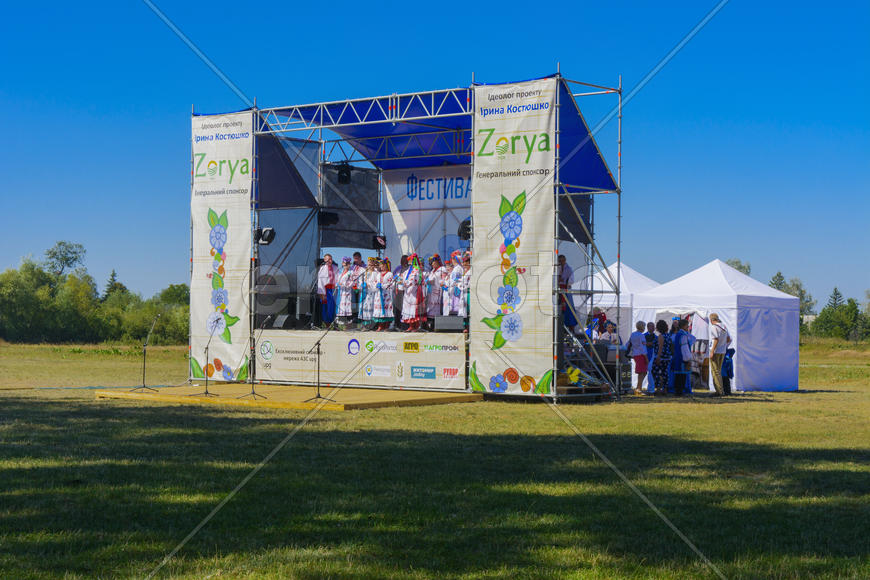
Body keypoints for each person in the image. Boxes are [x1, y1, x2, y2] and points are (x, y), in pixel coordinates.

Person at [708, 312, 731, 396]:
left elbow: (716, 339)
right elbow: (729, 339)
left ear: (711, 320)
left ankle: (719, 391)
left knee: (715, 371)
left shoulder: (714, 327)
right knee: (719, 371)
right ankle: (720, 390)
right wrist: (724, 346)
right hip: (722, 351)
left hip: (716, 351)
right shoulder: (724, 326)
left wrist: (712, 351)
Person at [402, 254, 425, 332]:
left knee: (414, 309)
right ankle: (411, 326)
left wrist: (408, 285)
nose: (409, 261)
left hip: (414, 292)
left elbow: (417, 281)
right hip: (407, 292)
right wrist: (403, 283)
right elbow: (403, 279)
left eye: (411, 260)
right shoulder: (407, 270)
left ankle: (416, 326)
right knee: (408, 309)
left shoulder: (417, 270)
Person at [625, 321, 649, 394]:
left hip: (635, 354)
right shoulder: (641, 335)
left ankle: (638, 387)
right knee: (642, 372)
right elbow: (643, 347)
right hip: (641, 355)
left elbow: (628, 344)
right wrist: (646, 357)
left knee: (642, 372)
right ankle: (639, 389)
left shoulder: (633, 334)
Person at [671, 319, 693, 396]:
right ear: (683, 326)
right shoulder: (683, 335)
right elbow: (685, 348)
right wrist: (688, 358)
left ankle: (678, 391)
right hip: (682, 358)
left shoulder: (678, 334)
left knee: (678, 375)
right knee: (681, 375)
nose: (688, 327)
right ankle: (679, 391)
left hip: (678, 357)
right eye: (687, 325)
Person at [425, 254, 447, 330]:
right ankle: (429, 325)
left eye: (433, 262)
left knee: (436, 309)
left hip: (438, 291)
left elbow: (443, 280)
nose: (432, 264)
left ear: (437, 261)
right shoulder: (432, 271)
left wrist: (432, 280)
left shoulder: (442, 269)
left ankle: (436, 325)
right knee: (430, 309)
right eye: (431, 262)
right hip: (431, 292)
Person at [316, 254, 338, 326]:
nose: (330, 261)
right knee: (325, 307)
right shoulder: (322, 268)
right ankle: (327, 323)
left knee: (333, 307)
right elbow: (320, 282)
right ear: (325, 260)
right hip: (325, 290)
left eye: (331, 259)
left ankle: (334, 323)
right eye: (328, 259)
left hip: (334, 290)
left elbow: (338, 278)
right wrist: (322, 293)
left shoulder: (335, 267)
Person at [651, 319, 672, 396]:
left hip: (661, 357)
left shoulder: (661, 336)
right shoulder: (668, 335)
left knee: (655, 372)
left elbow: (660, 347)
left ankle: (658, 389)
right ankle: (665, 389)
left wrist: (658, 357)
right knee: (665, 373)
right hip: (667, 357)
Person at [558, 255, 578, 331]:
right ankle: (561, 327)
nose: (561, 262)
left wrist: (564, 281)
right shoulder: (558, 268)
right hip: (559, 289)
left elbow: (571, 280)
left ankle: (570, 328)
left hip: (565, 289)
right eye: (559, 261)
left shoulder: (569, 269)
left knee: (568, 308)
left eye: (562, 261)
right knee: (560, 308)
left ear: (565, 260)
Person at [358, 257, 380, 330]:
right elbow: (360, 281)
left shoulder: (376, 273)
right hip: (365, 292)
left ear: (374, 264)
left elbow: (377, 282)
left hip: (372, 292)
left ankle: (372, 325)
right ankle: (364, 324)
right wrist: (363, 284)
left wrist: (370, 285)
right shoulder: (364, 272)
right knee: (364, 307)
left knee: (371, 308)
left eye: (371, 263)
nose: (370, 265)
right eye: (369, 263)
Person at [373, 258, 394, 331]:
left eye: (382, 265)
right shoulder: (378, 274)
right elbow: (375, 282)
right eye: (380, 265)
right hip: (379, 294)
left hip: (386, 294)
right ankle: (380, 325)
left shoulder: (389, 274)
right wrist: (376, 285)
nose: (381, 266)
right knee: (379, 309)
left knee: (386, 309)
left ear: (386, 265)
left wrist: (382, 286)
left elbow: (390, 284)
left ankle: (386, 325)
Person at [335, 257, 355, 328]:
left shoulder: (351, 272)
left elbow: (352, 282)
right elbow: (337, 281)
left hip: (347, 292)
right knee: (341, 307)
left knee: (347, 306)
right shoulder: (340, 272)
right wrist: (337, 284)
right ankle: (341, 325)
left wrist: (344, 285)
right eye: (344, 263)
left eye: (347, 263)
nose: (345, 265)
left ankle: (348, 325)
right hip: (340, 292)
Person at [444, 250, 464, 316]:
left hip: (456, 289)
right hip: (454, 288)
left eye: (452, 258)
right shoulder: (457, 268)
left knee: (457, 307)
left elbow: (454, 280)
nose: (451, 260)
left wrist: (446, 283)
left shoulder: (457, 268)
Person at [392, 255, 409, 330]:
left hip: (405, 291)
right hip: (397, 290)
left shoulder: (409, 268)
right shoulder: (398, 268)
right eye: (402, 259)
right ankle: (396, 324)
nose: (403, 261)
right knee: (396, 308)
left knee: (403, 308)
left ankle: (404, 325)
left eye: (405, 260)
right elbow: (393, 276)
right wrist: (395, 278)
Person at [350, 251, 366, 321]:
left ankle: (360, 318)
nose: (356, 260)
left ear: (360, 258)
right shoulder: (353, 267)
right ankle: (354, 317)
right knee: (353, 302)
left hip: (361, 288)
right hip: (353, 287)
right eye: (354, 259)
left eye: (357, 258)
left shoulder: (365, 267)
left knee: (360, 302)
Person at [644, 321, 657, 392]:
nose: (653, 328)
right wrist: (647, 344)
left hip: (653, 356)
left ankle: (651, 388)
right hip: (645, 355)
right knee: (643, 372)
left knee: (651, 372)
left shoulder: (656, 337)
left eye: (653, 326)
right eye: (651, 326)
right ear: (648, 327)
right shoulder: (643, 336)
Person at [458, 251, 472, 319]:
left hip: (468, 293)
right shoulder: (465, 272)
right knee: (463, 310)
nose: (463, 264)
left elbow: (470, 284)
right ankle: (464, 326)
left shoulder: (471, 271)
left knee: (468, 309)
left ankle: (468, 327)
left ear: (469, 262)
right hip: (463, 293)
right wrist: (459, 284)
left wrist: (461, 287)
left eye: (465, 262)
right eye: (463, 262)